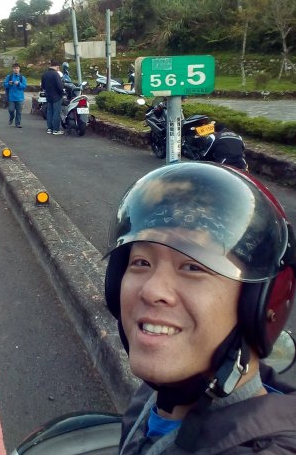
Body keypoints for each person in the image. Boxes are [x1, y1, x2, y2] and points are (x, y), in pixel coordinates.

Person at [104, 162, 296, 454]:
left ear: (257, 305)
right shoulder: (149, 402)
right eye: (141, 262)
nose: (153, 290)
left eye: (193, 267)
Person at [41, 60, 65, 135]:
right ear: (57, 66)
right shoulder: (56, 74)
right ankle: (56, 129)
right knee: (56, 113)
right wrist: (62, 92)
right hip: (57, 96)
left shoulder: (44, 74)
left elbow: (43, 86)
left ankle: (49, 128)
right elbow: (59, 86)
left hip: (48, 96)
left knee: (49, 112)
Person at [3, 62, 27, 128]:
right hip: (11, 97)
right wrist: (9, 84)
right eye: (14, 68)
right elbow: (5, 85)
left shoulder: (22, 78)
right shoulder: (9, 77)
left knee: (19, 112)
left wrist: (19, 84)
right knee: (11, 110)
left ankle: (18, 123)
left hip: (20, 98)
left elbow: (24, 87)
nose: (16, 69)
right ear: (12, 69)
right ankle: (11, 117)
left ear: (19, 69)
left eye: (17, 68)